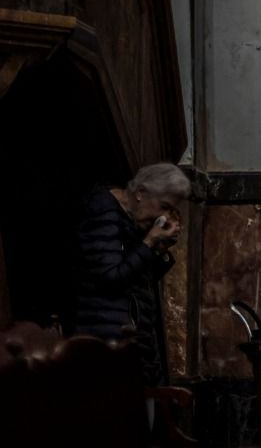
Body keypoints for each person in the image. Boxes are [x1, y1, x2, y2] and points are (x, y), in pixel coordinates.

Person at [74, 163, 187, 385]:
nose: (163, 218)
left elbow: (136, 281)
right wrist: (149, 241)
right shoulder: (103, 212)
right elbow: (111, 277)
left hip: (129, 347)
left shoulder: (129, 220)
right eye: (163, 206)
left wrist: (159, 249)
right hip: (106, 346)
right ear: (140, 193)